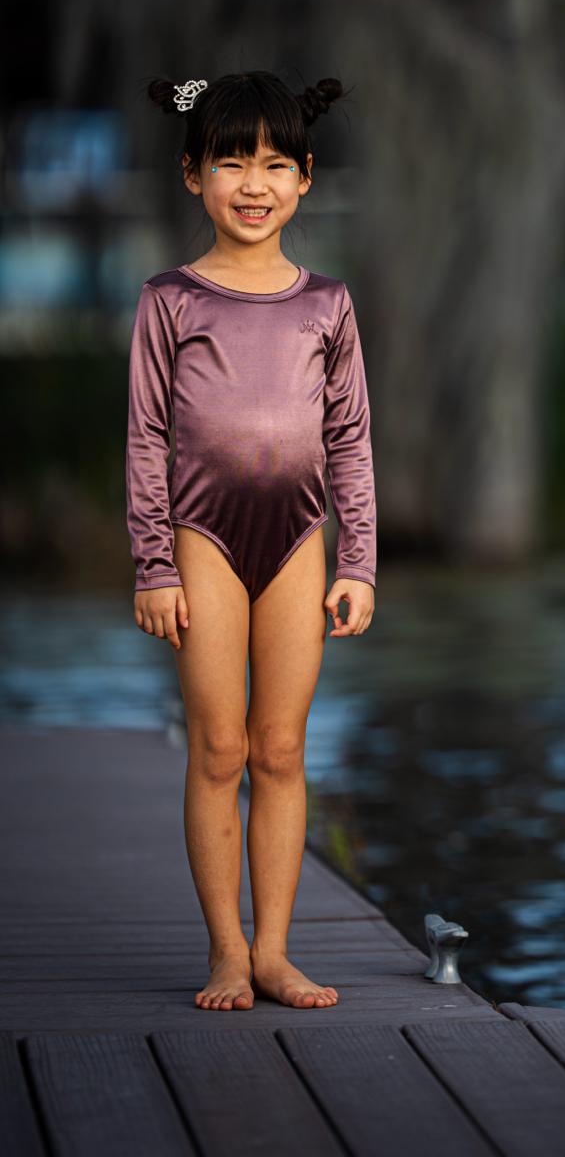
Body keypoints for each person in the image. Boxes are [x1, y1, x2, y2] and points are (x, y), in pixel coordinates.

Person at [125, 70, 376, 1012]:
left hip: (300, 539)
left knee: (279, 748)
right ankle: (226, 951)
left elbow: (349, 437)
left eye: (274, 163)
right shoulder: (170, 300)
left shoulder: (327, 305)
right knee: (220, 747)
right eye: (230, 163)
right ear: (194, 176)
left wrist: (359, 562)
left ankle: (275, 950)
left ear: (306, 177)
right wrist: (154, 562)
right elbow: (147, 435)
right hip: (202, 537)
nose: (253, 183)